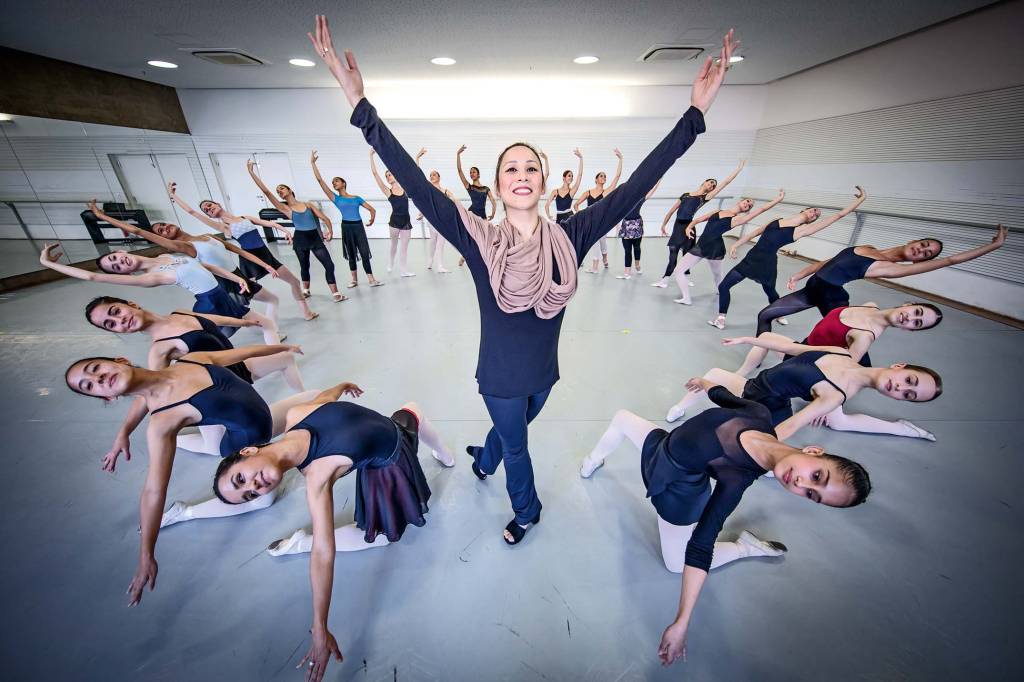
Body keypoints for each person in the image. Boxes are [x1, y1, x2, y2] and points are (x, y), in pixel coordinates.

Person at [310, 14, 739, 544]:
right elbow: (415, 184)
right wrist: (361, 107)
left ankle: (483, 458)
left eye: (530, 168)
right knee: (519, 445)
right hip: (500, 377)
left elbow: (638, 184)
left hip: (544, 372)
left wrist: (694, 115)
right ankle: (526, 510)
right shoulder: (477, 239)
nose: (521, 175)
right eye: (510, 168)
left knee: (509, 436)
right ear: (496, 185)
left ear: (542, 180)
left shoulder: (572, 233)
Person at [579, 378, 870, 666]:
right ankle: (594, 459)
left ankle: (744, 547)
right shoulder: (760, 415)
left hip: (679, 493)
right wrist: (706, 383)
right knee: (621, 418)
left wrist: (682, 621)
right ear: (814, 451)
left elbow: (701, 545)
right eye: (817, 476)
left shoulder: (737, 479)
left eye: (810, 494)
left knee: (676, 564)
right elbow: (725, 397)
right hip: (663, 446)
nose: (800, 483)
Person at [213, 386, 454, 681]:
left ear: (247, 451)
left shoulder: (296, 415)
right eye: (249, 495)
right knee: (384, 534)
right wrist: (319, 627)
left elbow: (325, 399)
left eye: (241, 479)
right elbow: (324, 555)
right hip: (387, 465)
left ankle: (444, 453)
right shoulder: (317, 478)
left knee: (411, 412)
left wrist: (341, 386)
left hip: (391, 433)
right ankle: (303, 541)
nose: (254, 487)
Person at [63, 346, 313, 606]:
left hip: (264, 423)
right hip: (245, 448)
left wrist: (281, 347)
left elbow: (242, 354)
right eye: (90, 386)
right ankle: (186, 512)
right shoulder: (161, 424)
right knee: (262, 500)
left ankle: (191, 443)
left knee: (316, 396)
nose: (98, 379)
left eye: (94, 369)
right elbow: (153, 491)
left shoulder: (192, 360)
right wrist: (146, 554)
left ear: (120, 359)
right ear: (108, 398)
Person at [83, 295, 305, 473]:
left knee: (286, 359)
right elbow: (147, 394)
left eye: (115, 312)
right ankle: (176, 440)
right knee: (213, 447)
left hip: (237, 369)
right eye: (111, 325)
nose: (119, 321)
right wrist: (124, 432)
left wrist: (243, 322)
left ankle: (306, 403)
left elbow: (212, 320)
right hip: (210, 392)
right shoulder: (159, 350)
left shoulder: (179, 312)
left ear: (130, 303)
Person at [666, 334, 940, 441]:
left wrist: (767, 447)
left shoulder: (835, 395)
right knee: (713, 373)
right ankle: (679, 407)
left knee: (714, 382)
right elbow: (790, 347)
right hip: (755, 385)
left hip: (763, 406)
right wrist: (749, 339)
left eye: (908, 395)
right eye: (909, 381)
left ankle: (901, 429)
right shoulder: (840, 353)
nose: (900, 388)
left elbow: (793, 425)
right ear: (900, 366)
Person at [755, 225, 1008, 335]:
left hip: (832, 297)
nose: (923, 251)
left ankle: (856, 377)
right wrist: (801, 273)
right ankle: (760, 350)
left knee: (848, 339)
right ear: (914, 241)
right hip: (811, 290)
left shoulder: (891, 268)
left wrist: (993, 246)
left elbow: (949, 261)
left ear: (921, 261)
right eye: (924, 245)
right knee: (765, 315)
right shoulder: (869, 246)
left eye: (928, 254)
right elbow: (829, 262)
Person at [90, 196, 284, 324]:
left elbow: (237, 250)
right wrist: (102, 216)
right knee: (243, 316)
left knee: (245, 316)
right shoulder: (184, 247)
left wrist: (265, 265)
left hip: (236, 275)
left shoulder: (207, 235)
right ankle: (269, 330)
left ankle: (267, 329)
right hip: (225, 282)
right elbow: (138, 231)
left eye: (164, 225)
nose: (164, 229)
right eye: (160, 232)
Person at [37, 243, 281, 340]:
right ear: (122, 274)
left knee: (262, 325)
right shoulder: (150, 278)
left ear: (121, 251)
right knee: (209, 341)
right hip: (209, 304)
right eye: (115, 267)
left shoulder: (163, 257)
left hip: (221, 294)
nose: (119, 263)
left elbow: (203, 265)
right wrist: (48, 264)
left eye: (115, 258)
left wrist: (234, 278)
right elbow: (92, 275)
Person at [710, 187, 867, 330]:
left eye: (816, 216)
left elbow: (839, 215)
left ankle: (779, 313)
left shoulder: (800, 231)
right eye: (813, 211)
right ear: (805, 210)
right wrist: (735, 245)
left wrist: (860, 199)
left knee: (770, 291)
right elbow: (755, 233)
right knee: (724, 286)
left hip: (767, 264)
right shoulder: (776, 220)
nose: (814, 214)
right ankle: (721, 318)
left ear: (812, 221)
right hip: (751, 259)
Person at [169, 184, 319, 320]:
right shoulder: (223, 227)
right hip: (249, 261)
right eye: (206, 210)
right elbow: (192, 212)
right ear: (209, 216)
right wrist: (174, 196)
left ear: (218, 204)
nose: (208, 208)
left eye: (209, 205)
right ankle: (259, 323)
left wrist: (285, 230)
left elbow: (268, 223)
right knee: (247, 297)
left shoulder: (244, 217)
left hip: (266, 256)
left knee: (294, 281)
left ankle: (306, 313)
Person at [733, 301, 943, 374]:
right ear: (909, 304)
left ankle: (740, 374)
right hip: (806, 344)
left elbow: (845, 367)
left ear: (909, 330)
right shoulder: (870, 306)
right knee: (767, 336)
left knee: (767, 337)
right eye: (917, 312)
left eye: (916, 323)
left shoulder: (864, 337)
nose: (910, 318)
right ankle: (742, 373)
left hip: (807, 358)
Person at [248, 158, 345, 302]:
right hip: (300, 239)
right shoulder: (286, 208)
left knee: (329, 265)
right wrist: (251, 172)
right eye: (278, 191)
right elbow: (266, 192)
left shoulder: (308, 204)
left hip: (315, 238)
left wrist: (330, 232)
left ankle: (336, 294)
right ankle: (306, 290)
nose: (279, 192)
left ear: (290, 190)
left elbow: (326, 219)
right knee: (304, 265)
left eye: (282, 189)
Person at [672, 190, 785, 304]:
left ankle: (720, 291)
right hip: (701, 246)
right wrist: (688, 227)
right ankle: (686, 298)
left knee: (717, 275)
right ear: (742, 201)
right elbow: (697, 220)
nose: (747, 204)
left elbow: (761, 209)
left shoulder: (737, 219)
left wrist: (778, 199)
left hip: (715, 249)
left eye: (749, 206)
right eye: (747, 201)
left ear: (747, 210)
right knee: (678, 271)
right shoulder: (718, 211)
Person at [651, 160, 745, 288]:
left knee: (686, 254)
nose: (712, 185)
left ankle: (685, 277)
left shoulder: (704, 198)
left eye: (713, 186)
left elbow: (725, 183)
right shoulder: (685, 195)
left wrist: (738, 170)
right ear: (704, 182)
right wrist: (663, 224)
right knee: (673, 254)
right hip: (677, 227)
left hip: (689, 227)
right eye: (711, 182)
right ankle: (665, 280)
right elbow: (672, 210)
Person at [310, 153, 383, 287]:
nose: (333, 183)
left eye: (336, 181)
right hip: (347, 227)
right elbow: (320, 181)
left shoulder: (356, 197)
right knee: (351, 253)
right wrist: (313, 164)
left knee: (364, 252)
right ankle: (354, 280)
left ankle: (371, 279)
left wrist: (372, 219)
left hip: (358, 226)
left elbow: (372, 209)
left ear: (343, 183)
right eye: (333, 182)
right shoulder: (335, 198)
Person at [573, 149, 623, 273]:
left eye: (605, 176)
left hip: (602, 222)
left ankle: (601, 263)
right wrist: (582, 215)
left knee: (601, 241)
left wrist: (620, 159)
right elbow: (576, 205)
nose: (604, 177)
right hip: (591, 222)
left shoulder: (605, 192)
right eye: (601, 176)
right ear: (596, 179)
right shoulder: (588, 192)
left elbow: (617, 177)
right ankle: (600, 263)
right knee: (597, 242)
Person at [368, 148, 415, 276]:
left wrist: (417, 158)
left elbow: (414, 174)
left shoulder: (405, 188)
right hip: (394, 222)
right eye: (387, 176)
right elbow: (375, 174)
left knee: (404, 248)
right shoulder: (388, 191)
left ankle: (404, 271)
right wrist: (371, 156)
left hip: (406, 222)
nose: (388, 177)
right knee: (394, 245)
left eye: (390, 174)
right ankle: (390, 262)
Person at [415, 148, 457, 273]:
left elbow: (455, 201)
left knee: (440, 241)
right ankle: (430, 260)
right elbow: (418, 175)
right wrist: (418, 157)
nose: (432, 176)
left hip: (442, 219)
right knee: (433, 240)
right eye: (430, 175)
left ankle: (439, 265)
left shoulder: (444, 191)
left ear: (439, 177)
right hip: (432, 218)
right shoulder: (429, 188)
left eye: (434, 174)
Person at [615, 181, 660, 279]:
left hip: (637, 225)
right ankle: (627, 271)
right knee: (627, 250)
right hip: (626, 226)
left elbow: (651, 192)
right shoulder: (622, 202)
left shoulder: (639, 199)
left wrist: (658, 180)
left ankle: (637, 265)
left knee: (636, 247)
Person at [457, 145, 497, 221]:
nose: (472, 174)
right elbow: (459, 170)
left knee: (485, 232)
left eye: (474, 172)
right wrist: (458, 154)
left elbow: (493, 202)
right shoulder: (469, 186)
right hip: (471, 214)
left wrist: (493, 214)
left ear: (478, 174)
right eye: (470, 172)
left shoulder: (486, 189)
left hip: (482, 215)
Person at [543, 149, 584, 224]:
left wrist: (581, 158)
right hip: (559, 218)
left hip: (570, 217)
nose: (571, 177)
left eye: (572, 176)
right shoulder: (555, 191)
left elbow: (580, 175)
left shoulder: (572, 191)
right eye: (569, 176)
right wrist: (548, 216)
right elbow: (546, 205)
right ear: (564, 178)